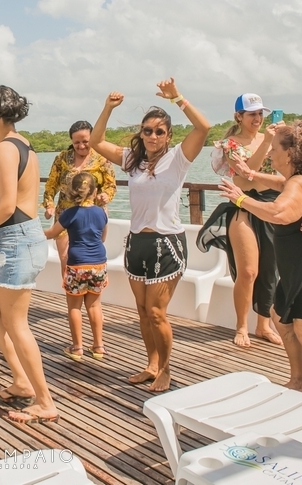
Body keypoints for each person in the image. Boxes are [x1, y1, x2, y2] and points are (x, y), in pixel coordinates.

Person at [89, 80, 210, 392]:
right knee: (143, 311)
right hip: (137, 243)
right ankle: (152, 365)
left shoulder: (178, 158)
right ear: (141, 133)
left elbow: (204, 127)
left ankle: (166, 370)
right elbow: (96, 141)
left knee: (157, 313)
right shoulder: (133, 160)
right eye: (147, 131)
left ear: (168, 136)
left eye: (159, 131)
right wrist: (108, 108)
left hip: (166, 243)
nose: (153, 136)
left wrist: (178, 98)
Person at [219, 121, 302, 398]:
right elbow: (281, 183)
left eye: (274, 149)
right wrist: (252, 174)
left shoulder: (299, 183)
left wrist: (241, 200)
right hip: (298, 266)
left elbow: (279, 213)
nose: (270, 153)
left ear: (289, 154)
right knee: (279, 316)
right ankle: (298, 380)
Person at [0, 85, 57, 424]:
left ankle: (45, 401)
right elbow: (15, 202)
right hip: (15, 238)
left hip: (17, 241)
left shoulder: (4, 148)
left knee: (17, 324)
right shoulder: (22, 144)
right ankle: (21, 380)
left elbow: (6, 207)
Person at [198, 94, 283, 348]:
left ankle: (263, 325)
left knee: (270, 269)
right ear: (239, 116)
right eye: (252, 114)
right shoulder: (229, 144)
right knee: (248, 271)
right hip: (243, 203)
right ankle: (242, 325)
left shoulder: (273, 139)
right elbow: (246, 175)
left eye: (260, 113)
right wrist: (266, 142)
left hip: (270, 205)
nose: (257, 118)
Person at [43, 172, 109, 361]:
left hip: (77, 265)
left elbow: (51, 233)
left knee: (74, 307)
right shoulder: (101, 213)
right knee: (94, 305)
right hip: (98, 264)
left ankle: (77, 347)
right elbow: (103, 238)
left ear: (71, 191)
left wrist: (32, 233)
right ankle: (98, 346)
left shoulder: (69, 214)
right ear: (94, 192)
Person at [42, 121, 117, 284]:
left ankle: (89, 292)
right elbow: (51, 185)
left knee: (87, 256)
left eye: (85, 141)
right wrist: (49, 205)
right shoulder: (62, 158)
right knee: (65, 258)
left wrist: (106, 195)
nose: (81, 146)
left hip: (91, 215)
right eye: (76, 142)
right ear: (71, 141)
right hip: (65, 215)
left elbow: (111, 185)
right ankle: (70, 294)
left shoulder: (102, 158)